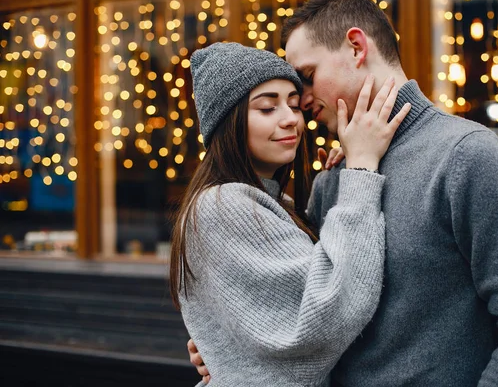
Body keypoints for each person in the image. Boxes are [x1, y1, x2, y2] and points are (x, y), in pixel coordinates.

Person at [189, 0, 498, 386]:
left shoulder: (467, 157)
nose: (300, 101)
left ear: (356, 47)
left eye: (306, 76)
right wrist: (229, 342)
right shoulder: (334, 177)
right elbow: (311, 313)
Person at [170, 42, 411, 386]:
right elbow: (327, 311)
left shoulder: (271, 201)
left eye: (295, 105)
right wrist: (361, 169)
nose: (291, 119)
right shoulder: (224, 206)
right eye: (267, 108)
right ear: (228, 123)